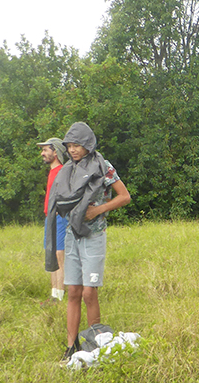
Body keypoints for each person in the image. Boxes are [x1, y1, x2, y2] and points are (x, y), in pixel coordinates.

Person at [45, 122, 131, 362]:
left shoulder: (104, 167)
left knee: (89, 293)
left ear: (88, 145)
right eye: (69, 146)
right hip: (72, 235)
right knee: (73, 291)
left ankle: (96, 346)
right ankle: (71, 346)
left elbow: (125, 196)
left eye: (77, 146)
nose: (73, 150)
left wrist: (98, 210)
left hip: (94, 236)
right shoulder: (68, 170)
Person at [37, 137, 69, 305]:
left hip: (59, 218)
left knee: (59, 255)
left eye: (45, 150)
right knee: (50, 254)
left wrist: (60, 212)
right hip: (50, 218)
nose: (42, 153)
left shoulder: (63, 171)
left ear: (55, 152)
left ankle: (60, 296)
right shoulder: (52, 171)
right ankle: (53, 296)